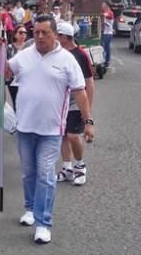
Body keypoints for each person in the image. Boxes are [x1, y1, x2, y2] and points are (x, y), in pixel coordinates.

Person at [5, 15, 92, 244]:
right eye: (36, 32)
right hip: (24, 127)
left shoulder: (67, 60)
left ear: (55, 34)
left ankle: (43, 223)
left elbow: (80, 91)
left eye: (45, 32)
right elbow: (6, 72)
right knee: (28, 173)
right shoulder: (25, 55)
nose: (40, 37)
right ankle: (30, 208)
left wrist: (88, 121)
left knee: (45, 175)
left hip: (51, 130)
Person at [55, 23, 95, 186]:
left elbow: (89, 83)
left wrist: (87, 110)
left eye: (57, 35)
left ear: (64, 37)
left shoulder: (81, 55)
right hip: (59, 100)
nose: (55, 38)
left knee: (73, 135)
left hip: (76, 101)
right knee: (62, 135)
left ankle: (80, 166)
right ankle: (67, 168)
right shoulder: (56, 53)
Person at [101, 2, 114, 69]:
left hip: (108, 33)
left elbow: (105, 15)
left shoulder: (110, 13)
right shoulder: (104, 12)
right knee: (103, 47)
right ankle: (104, 61)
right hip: (104, 33)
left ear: (107, 6)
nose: (102, 6)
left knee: (106, 47)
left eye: (103, 5)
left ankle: (107, 61)